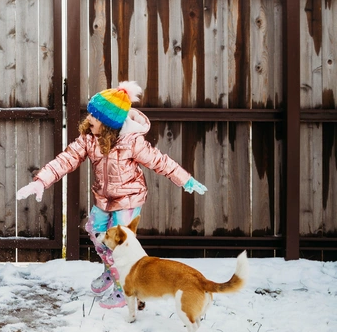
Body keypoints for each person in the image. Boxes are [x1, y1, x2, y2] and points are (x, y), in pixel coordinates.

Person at [16, 82, 207, 309]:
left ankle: (124, 288)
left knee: (120, 245)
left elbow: (160, 161)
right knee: (96, 233)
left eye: (94, 117)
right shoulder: (89, 139)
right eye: (90, 115)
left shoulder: (131, 142)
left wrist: (185, 179)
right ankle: (111, 272)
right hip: (103, 199)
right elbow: (66, 159)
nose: (89, 120)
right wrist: (41, 181)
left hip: (128, 199)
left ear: (108, 124)